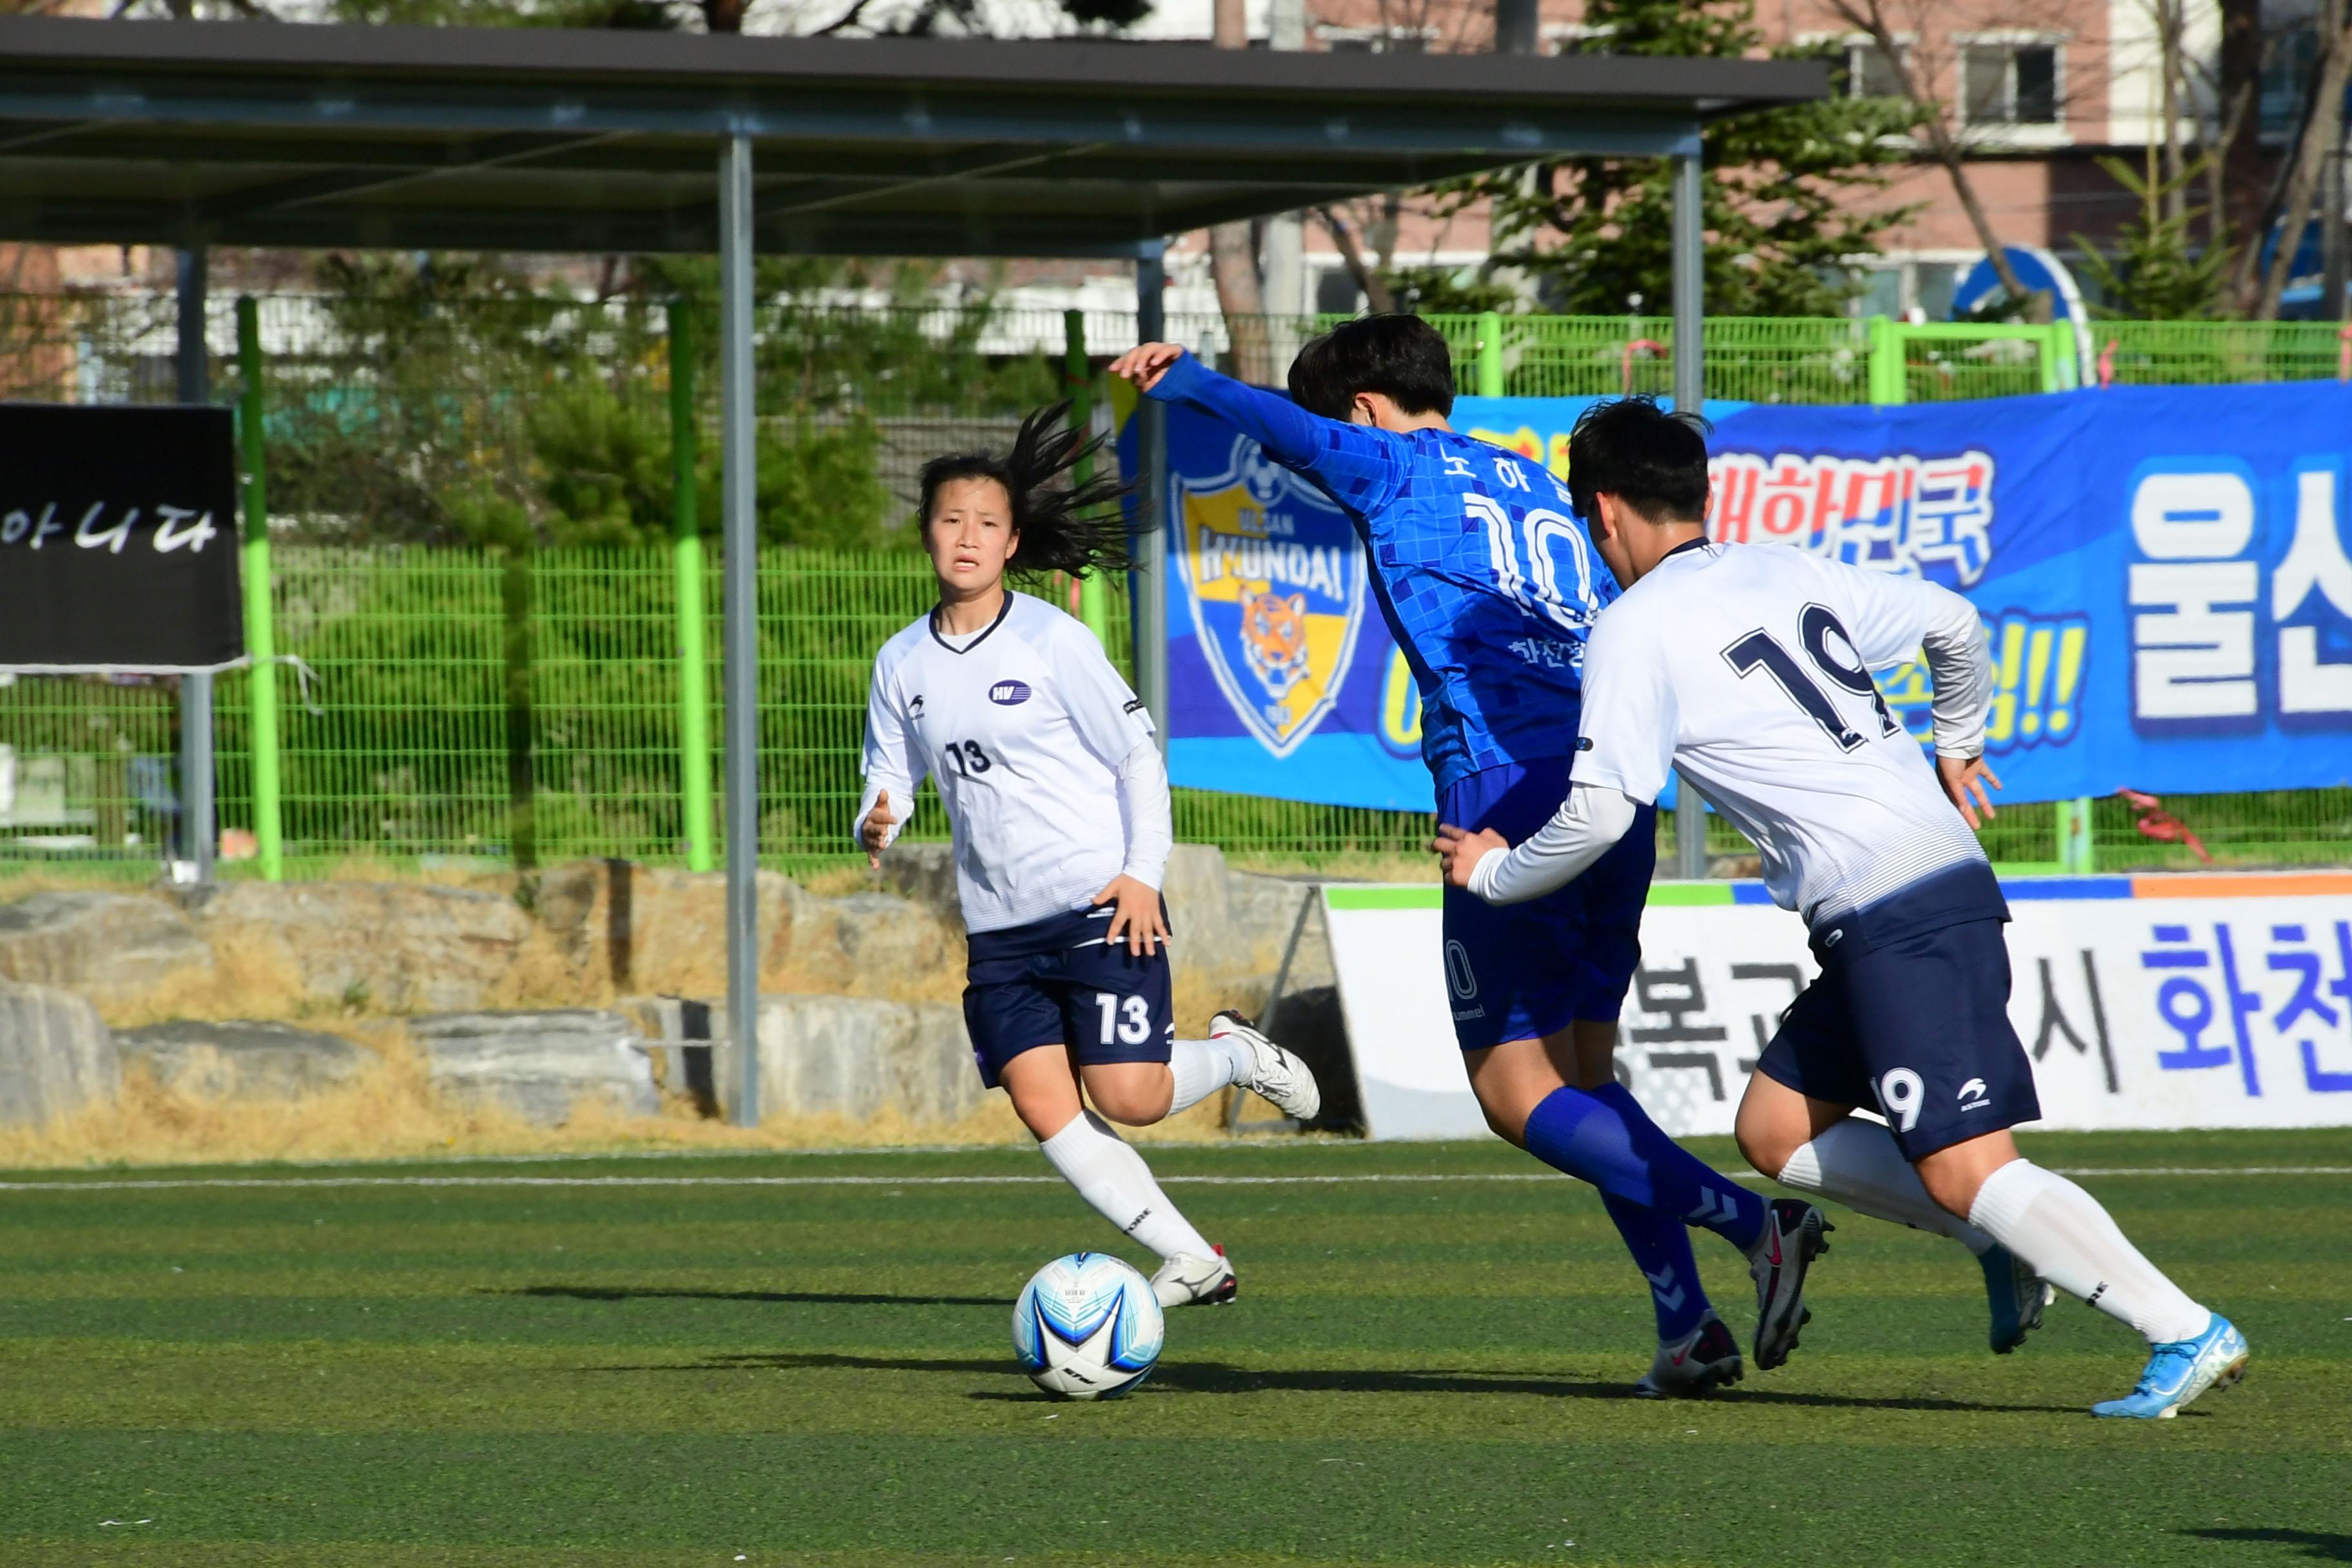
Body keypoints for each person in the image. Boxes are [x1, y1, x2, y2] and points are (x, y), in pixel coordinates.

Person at [1437, 396, 2249, 1420]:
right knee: (1774, 1132)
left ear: (1603, 512)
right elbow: (1955, 622)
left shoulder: (1634, 629)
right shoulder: (1782, 567)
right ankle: (1995, 1239)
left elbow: (1599, 815)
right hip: (1910, 896)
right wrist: (1959, 740)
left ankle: (2182, 1326)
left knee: (1966, 1167)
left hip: (1897, 909)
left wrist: (1494, 871)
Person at [1111, 320, 1825, 1396]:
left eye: (1332, 417)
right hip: (1611, 788)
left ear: (1361, 407)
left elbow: (1286, 437)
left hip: (1505, 795)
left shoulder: (1393, 459)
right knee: (1586, 1081)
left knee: (1512, 1094)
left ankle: (1756, 1227)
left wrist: (1190, 382)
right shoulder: (1536, 485)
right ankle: (1688, 1329)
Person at [856, 403, 1322, 1310]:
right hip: (997, 930)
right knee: (1044, 1107)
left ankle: (1231, 1053)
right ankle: (1195, 1259)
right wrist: (880, 817)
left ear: (1012, 541)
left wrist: (1142, 878)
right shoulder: (900, 662)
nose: (966, 536)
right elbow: (891, 775)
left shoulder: (1053, 642)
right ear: (925, 533)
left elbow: (1137, 757)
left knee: (1133, 1096)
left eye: (986, 523)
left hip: (1097, 905)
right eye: (950, 519)